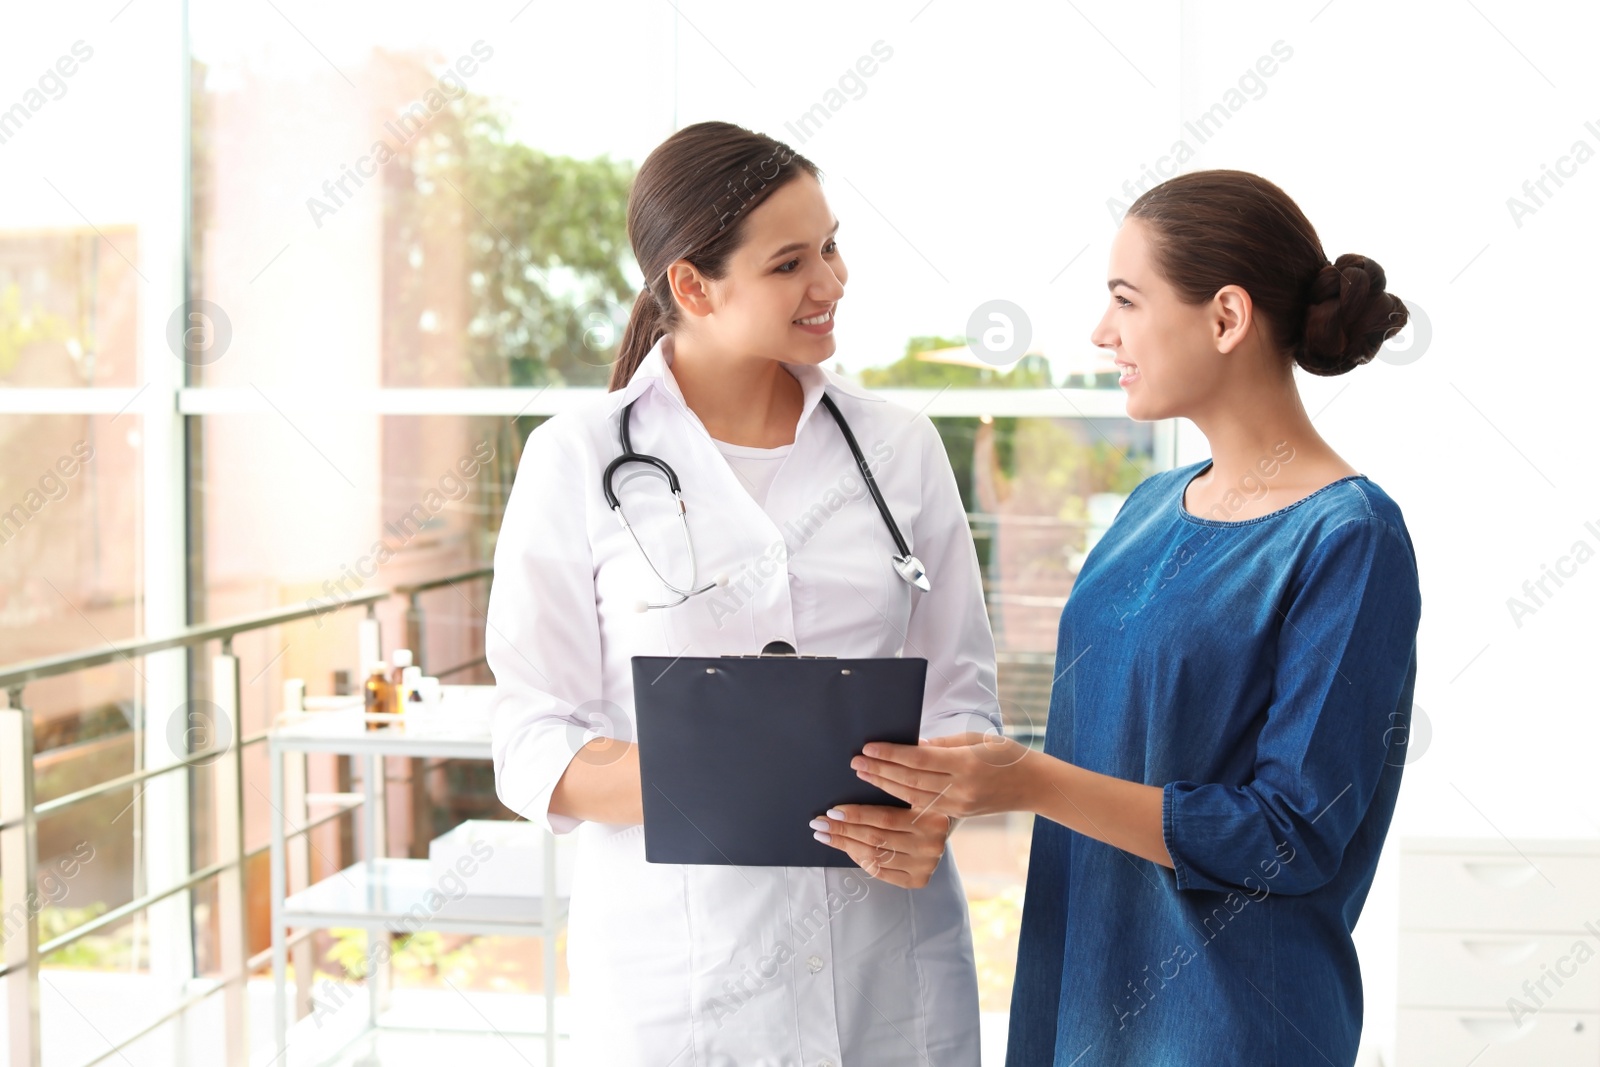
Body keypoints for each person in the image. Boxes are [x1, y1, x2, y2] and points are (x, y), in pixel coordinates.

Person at [836, 170, 1424, 1066]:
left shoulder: (1350, 536)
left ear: (1226, 318)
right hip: (1077, 1002)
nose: (1101, 331)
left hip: (1228, 1030)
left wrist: (1028, 782)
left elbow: (1290, 836)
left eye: (1124, 299)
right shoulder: (1147, 508)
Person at [486, 120, 998, 1065]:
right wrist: (724, 781)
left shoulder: (899, 448)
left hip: (885, 965)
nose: (832, 281)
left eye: (833, 245)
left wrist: (930, 810)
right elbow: (529, 737)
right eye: (790, 262)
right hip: (681, 986)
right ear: (693, 285)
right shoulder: (578, 457)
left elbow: (963, 697)